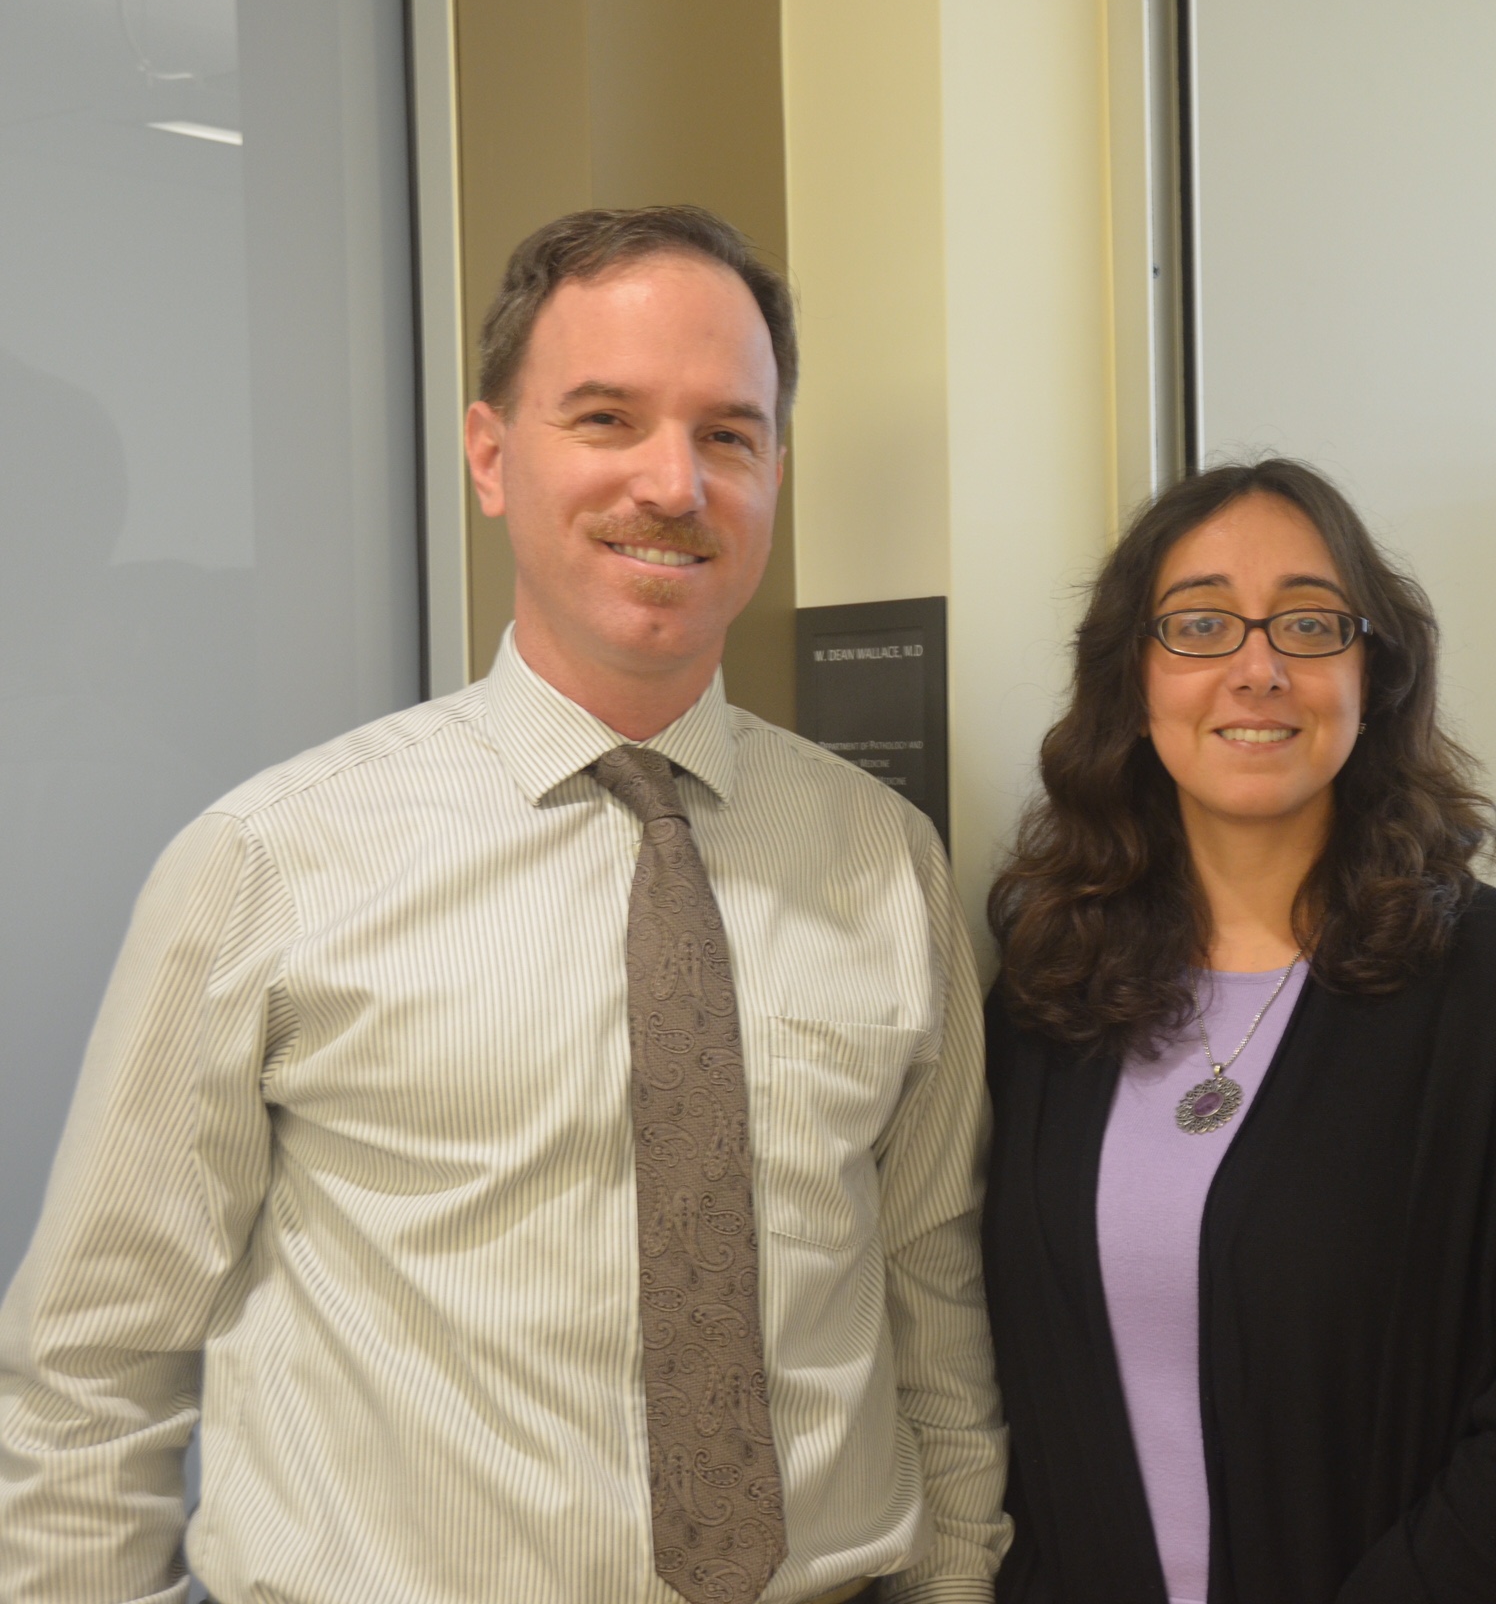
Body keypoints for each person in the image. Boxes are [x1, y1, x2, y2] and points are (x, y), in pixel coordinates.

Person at [0, 207, 1005, 1604]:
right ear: (490, 456)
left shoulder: (883, 863)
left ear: (777, 469)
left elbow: (932, 1313)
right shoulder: (270, 865)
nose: (673, 483)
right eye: (606, 419)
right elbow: (91, 1373)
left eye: (728, 434)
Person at [980, 460, 1496, 1604]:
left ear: (1371, 673)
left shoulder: (1483, 981)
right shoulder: (1048, 983)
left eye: (1308, 622)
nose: (1257, 667)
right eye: (1197, 625)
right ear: (1132, 682)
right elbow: (999, 1382)